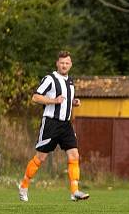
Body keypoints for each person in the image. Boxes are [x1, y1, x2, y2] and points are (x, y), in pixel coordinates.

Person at [18, 51, 89, 202]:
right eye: (62, 63)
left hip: (66, 124)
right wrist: (54, 101)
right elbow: (35, 97)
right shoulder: (50, 79)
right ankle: (24, 185)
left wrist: (73, 102)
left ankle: (74, 191)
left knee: (74, 155)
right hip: (51, 123)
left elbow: (64, 101)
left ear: (71, 65)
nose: (64, 65)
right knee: (41, 158)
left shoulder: (70, 81)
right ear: (57, 63)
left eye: (67, 63)